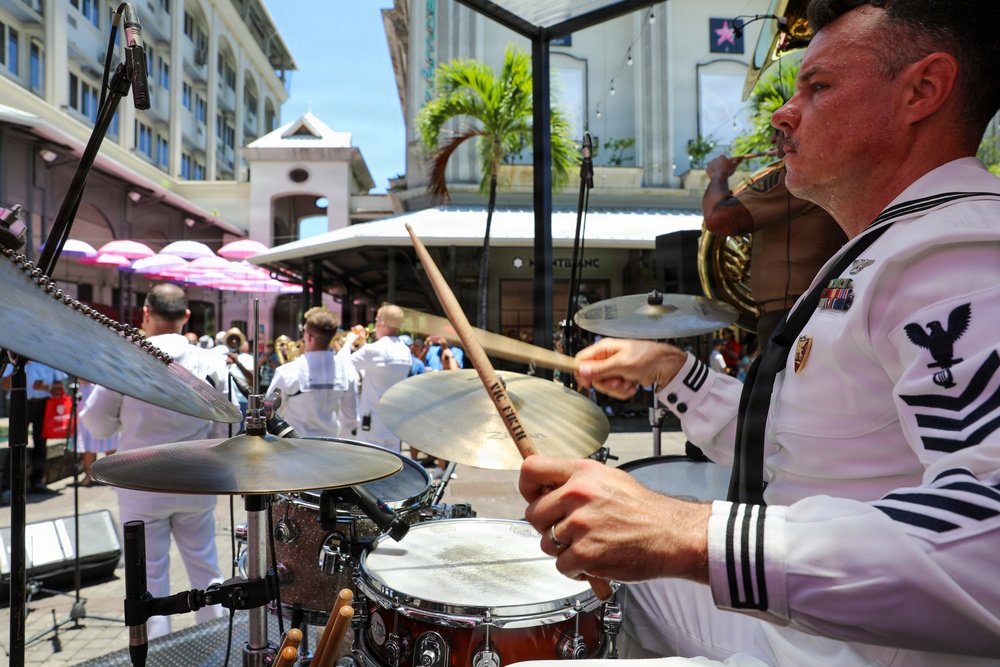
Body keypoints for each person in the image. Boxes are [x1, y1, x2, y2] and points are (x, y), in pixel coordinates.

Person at [516, 3, 1000, 666]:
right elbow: (799, 447)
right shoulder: (896, 246)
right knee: (552, 587)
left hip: (849, 650)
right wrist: (673, 373)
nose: (782, 111)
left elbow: (989, 545)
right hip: (801, 620)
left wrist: (685, 533)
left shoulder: (960, 256)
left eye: (819, 86)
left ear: (922, 90)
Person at [81, 283, 234, 639]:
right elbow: (226, 422)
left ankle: (157, 653)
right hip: (196, 478)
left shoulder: (127, 356)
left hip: (141, 481)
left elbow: (97, 422)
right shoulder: (209, 361)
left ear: (146, 313)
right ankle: (214, 645)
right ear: (186, 316)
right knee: (205, 567)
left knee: (148, 577)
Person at [703, 129, 847, 343]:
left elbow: (719, 217)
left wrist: (718, 175)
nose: (772, 139)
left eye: (779, 132)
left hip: (791, 313)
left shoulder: (797, 177)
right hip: (807, 309)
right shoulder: (829, 172)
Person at [266, 307, 358, 438]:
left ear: (308, 336)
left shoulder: (286, 372)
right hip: (331, 446)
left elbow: (270, 415)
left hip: (294, 449)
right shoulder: (347, 372)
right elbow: (350, 420)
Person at [346, 304, 413, 452]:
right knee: (392, 468)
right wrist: (364, 342)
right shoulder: (405, 350)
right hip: (394, 421)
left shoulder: (374, 349)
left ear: (383, 323)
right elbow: (376, 363)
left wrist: (348, 342)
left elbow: (343, 365)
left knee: (369, 469)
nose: (375, 324)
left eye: (376, 320)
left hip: (372, 421)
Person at [1, 359, 68, 497]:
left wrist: (45, 387)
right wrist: (18, 372)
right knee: (16, 443)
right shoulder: (15, 357)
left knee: (41, 443)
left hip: (43, 404)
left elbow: (61, 386)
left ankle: (37, 482)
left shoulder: (45, 357)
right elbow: (5, 385)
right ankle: (8, 486)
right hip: (19, 402)